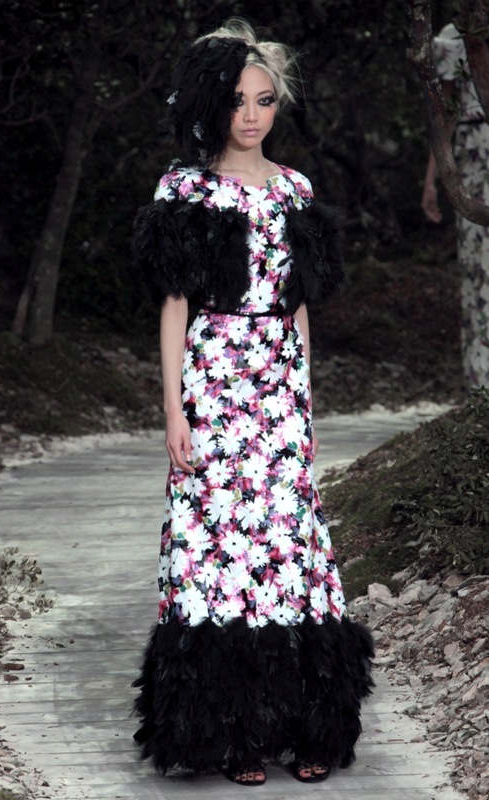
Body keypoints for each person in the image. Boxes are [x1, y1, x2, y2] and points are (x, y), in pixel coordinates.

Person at [132, 19, 374, 787]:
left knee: (289, 550)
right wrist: (173, 410)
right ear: (211, 103)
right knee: (215, 554)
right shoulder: (184, 188)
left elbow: (299, 308)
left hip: (277, 387)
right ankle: (229, 735)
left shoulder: (295, 188)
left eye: (264, 101)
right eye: (237, 100)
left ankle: (307, 728)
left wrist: (305, 403)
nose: (250, 115)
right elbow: (174, 305)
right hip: (212, 380)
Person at [422, 22, 489, 388]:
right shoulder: (456, 35)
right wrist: (432, 180)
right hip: (473, 154)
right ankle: (481, 385)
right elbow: (444, 116)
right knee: (479, 268)